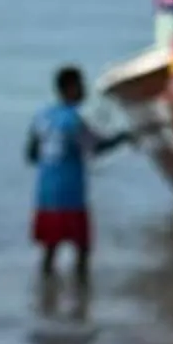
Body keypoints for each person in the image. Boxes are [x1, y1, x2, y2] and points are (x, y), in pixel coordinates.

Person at [25, 65, 117, 280]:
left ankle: (46, 296)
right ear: (70, 88)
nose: (84, 90)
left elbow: (31, 154)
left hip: (46, 195)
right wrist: (125, 136)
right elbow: (96, 148)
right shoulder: (75, 120)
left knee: (49, 251)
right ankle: (82, 297)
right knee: (82, 251)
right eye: (80, 85)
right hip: (71, 196)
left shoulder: (42, 117)